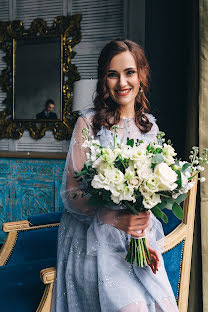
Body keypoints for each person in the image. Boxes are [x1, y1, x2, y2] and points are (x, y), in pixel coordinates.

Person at [51, 39, 178, 311]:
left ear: (141, 75)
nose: (122, 82)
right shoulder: (88, 123)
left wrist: (143, 236)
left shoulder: (150, 128)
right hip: (93, 239)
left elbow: (147, 195)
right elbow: (71, 195)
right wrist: (115, 219)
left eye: (129, 72)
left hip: (137, 240)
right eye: (113, 74)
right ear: (104, 79)